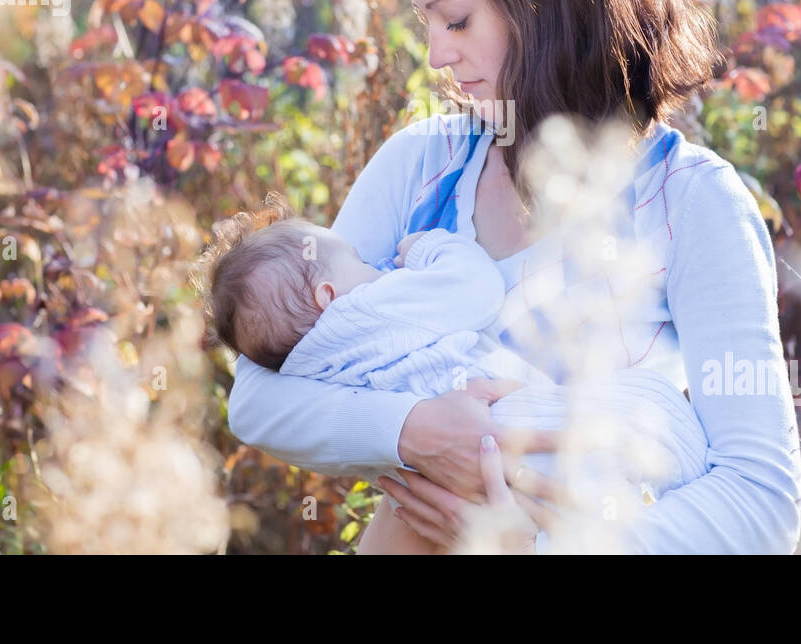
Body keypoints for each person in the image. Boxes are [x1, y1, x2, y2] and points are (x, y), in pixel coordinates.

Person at [227, 0, 801, 553]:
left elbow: (761, 502)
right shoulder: (422, 164)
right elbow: (258, 394)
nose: (437, 54)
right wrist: (418, 433)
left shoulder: (692, 203)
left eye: (457, 19)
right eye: (427, 22)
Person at [206, 205, 710, 553]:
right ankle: (692, 476)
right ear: (329, 296)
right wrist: (428, 248)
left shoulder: (306, 370)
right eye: (361, 262)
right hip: (511, 420)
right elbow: (475, 288)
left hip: (457, 493)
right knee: (652, 404)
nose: (377, 266)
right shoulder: (371, 308)